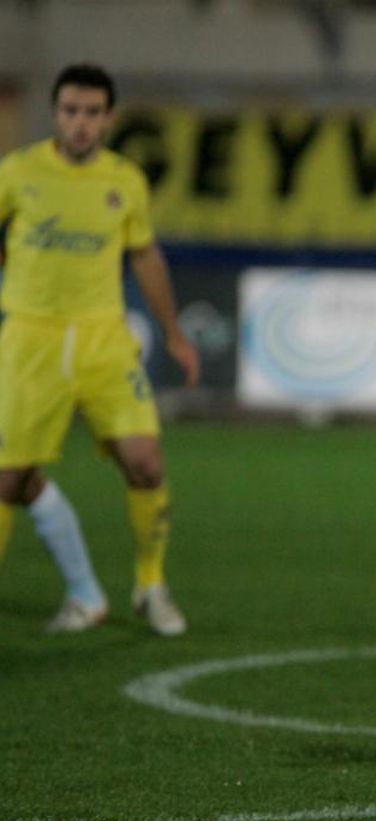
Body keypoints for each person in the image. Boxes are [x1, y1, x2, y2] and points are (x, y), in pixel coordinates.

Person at [0, 63, 198, 636]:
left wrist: (175, 333)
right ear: (56, 114)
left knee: (146, 462)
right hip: (30, 338)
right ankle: (87, 593)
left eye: (91, 113)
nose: (80, 123)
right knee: (10, 478)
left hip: (103, 339)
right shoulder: (18, 173)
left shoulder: (124, 181)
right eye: (70, 111)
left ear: (108, 118)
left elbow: (144, 256)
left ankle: (151, 586)